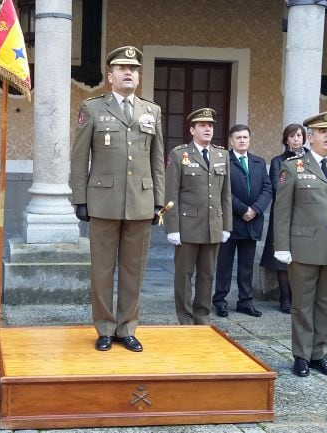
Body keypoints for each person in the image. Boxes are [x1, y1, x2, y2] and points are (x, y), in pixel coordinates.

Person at [69, 46, 165, 352]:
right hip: (103, 200)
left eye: (134, 69)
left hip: (141, 200)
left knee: (133, 270)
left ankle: (128, 328)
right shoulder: (93, 108)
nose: (128, 73)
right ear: (110, 75)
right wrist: (80, 198)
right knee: (101, 270)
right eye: (122, 68)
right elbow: (79, 156)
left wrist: (158, 201)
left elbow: (157, 158)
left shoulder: (152, 111)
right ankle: (105, 328)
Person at [274, 111, 327, 378]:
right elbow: (282, 211)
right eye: (323, 132)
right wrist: (282, 246)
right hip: (304, 249)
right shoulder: (293, 166)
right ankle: (301, 355)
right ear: (310, 138)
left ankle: (320, 354)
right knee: (302, 305)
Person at [164, 108, 232, 325]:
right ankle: (184, 316)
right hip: (187, 226)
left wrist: (226, 225)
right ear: (192, 129)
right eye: (202, 125)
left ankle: (202, 315)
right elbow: (171, 193)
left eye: (210, 125)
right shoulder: (179, 154)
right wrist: (172, 227)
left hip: (213, 225)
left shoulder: (222, 155)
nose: (208, 129)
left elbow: (226, 194)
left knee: (207, 274)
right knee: (184, 275)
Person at [213, 124, 271, 317]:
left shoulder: (259, 162)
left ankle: (245, 301)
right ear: (231, 140)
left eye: (245, 137)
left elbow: (267, 188)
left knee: (247, 265)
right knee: (224, 263)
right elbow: (222, 190)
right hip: (231, 220)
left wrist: (255, 209)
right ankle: (220, 299)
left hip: (252, 221)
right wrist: (243, 209)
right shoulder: (224, 160)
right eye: (238, 137)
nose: (242, 140)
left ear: (249, 139)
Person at [260, 123, 308, 314]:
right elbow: (275, 187)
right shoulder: (278, 161)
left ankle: (301, 298)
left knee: (303, 258)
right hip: (283, 214)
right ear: (286, 139)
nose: (296, 139)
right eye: (292, 136)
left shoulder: (310, 159)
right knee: (282, 258)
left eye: (299, 135)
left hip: (305, 215)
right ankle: (285, 298)